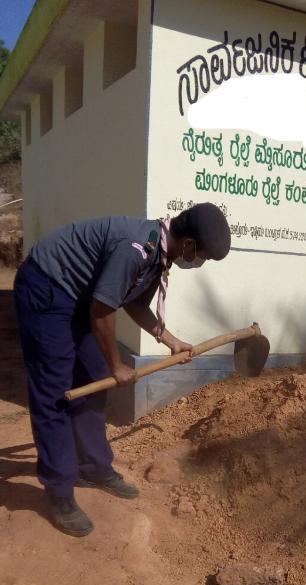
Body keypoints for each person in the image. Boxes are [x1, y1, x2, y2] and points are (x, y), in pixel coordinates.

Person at [14, 203, 231, 537]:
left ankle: (92, 468)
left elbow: (132, 302)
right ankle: (58, 490)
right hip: (47, 286)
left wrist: (170, 340)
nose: (198, 262)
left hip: (78, 294)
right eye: (201, 255)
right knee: (54, 392)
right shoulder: (136, 249)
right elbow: (102, 310)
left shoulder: (159, 253)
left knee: (94, 379)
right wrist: (117, 365)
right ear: (188, 244)